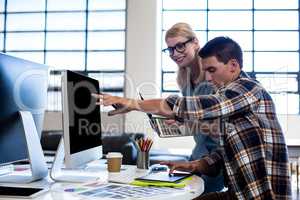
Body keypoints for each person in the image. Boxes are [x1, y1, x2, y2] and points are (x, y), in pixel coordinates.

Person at [93, 36, 291, 199]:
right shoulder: (231, 104)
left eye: (212, 70)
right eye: (206, 72)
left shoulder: (248, 88)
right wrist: (194, 165)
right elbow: (226, 154)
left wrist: (131, 103)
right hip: (238, 194)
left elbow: (190, 106)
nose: (208, 78)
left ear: (233, 65)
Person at [162, 22, 224, 193]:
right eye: (170, 49)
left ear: (195, 42)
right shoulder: (183, 79)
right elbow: (194, 120)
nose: (174, 53)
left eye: (180, 46)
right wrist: (180, 122)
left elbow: (219, 127)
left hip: (218, 157)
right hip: (198, 152)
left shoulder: (214, 77)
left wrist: (184, 120)